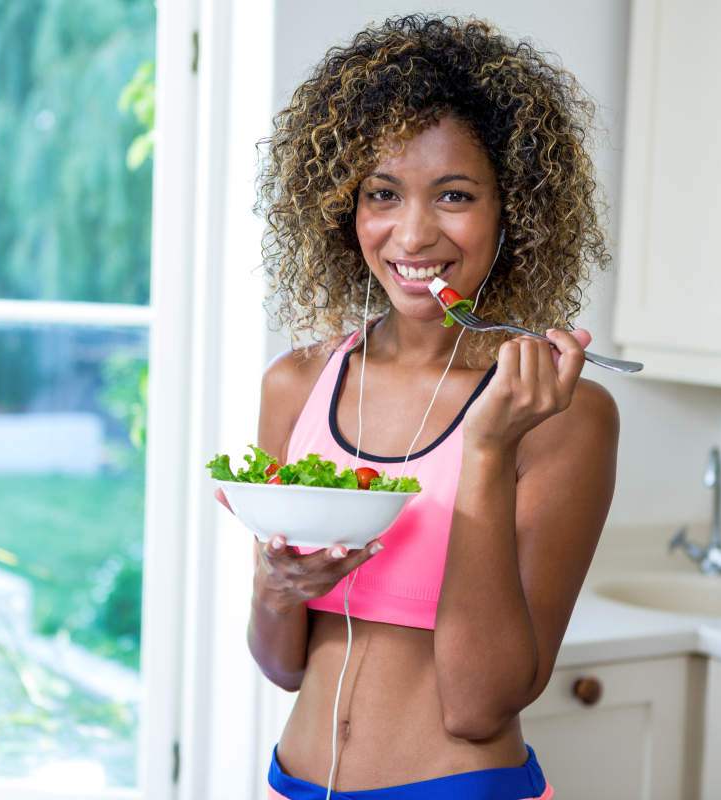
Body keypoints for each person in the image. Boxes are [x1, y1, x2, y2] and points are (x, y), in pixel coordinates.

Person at [216, 13, 620, 799]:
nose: (413, 233)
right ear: (344, 208)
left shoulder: (563, 415)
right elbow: (282, 664)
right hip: (289, 784)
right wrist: (275, 587)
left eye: (456, 195)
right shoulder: (297, 384)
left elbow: (479, 705)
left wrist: (489, 451)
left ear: (516, 212)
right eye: (383, 194)